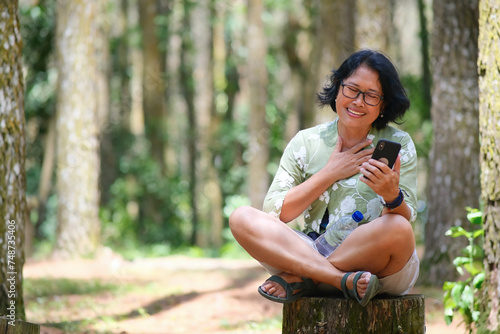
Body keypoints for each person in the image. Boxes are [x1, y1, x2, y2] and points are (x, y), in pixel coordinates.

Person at [229, 49, 419, 306]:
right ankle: (339, 279)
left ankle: (303, 277)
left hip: (379, 269)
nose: (358, 101)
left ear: (384, 103)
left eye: (371, 95)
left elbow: (405, 223)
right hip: (315, 249)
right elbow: (277, 211)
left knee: (398, 228)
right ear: (338, 89)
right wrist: (330, 173)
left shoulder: (398, 143)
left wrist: (391, 197)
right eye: (352, 89)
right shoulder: (306, 142)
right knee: (242, 217)